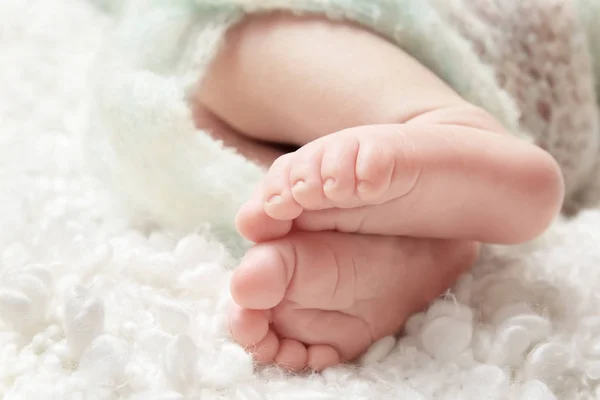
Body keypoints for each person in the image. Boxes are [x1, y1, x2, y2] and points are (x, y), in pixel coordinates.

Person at [91, 0, 600, 372]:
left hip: (425, 34)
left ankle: (442, 126)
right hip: (561, 74)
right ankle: (404, 242)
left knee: (196, 51)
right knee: (203, 132)